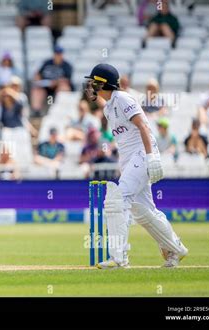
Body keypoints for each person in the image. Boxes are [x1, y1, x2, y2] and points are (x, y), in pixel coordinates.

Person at [84, 63, 188, 269]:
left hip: (142, 155)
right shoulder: (107, 108)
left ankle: (119, 258)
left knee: (118, 200)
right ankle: (176, 249)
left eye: (94, 83)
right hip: (130, 159)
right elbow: (125, 138)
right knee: (143, 211)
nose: (91, 87)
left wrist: (151, 157)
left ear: (103, 83)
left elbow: (143, 125)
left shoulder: (122, 98)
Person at [30, 45, 73, 117]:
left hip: (57, 88)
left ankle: (60, 111)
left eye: (59, 54)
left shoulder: (67, 65)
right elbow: (38, 74)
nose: (58, 56)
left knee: (64, 88)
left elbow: (67, 80)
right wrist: (39, 80)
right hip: (46, 88)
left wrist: (56, 82)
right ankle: (36, 111)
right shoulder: (47, 63)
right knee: (36, 89)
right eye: (56, 53)